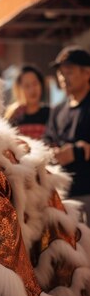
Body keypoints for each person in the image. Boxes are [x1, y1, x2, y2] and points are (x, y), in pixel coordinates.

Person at [44, 46, 90, 223]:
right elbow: (47, 140)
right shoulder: (57, 110)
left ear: (87, 73)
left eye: (69, 72)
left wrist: (76, 153)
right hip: (63, 196)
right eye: (61, 73)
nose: (63, 78)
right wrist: (52, 152)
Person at [5, 64, 50, 139]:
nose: (32, 89)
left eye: (35, 84)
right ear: (19, 89)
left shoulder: (51, 114)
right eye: (27, 86)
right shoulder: (13, 116)